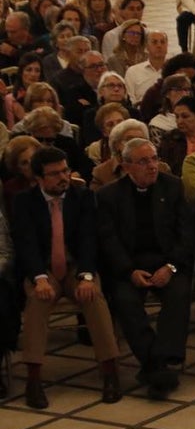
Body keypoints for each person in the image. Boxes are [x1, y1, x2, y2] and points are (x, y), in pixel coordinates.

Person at [14, 146, 122, 409]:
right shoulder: (23, 202)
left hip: (76, 266)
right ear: (38, 179)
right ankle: (34, 379)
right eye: (54, 174)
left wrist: (86, 276)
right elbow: (26, 244)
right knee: (38, 301)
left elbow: (88, 240)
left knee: (93, 297)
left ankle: (110, 372)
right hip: (44, 268)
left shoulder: (82, 197)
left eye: (65, 170)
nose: (63, 177)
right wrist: (39, 278)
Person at [96, 139, 194, 399]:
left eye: (153, 159)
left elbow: (186, 235)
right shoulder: (109, 196)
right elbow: (109, 241)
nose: (152, 166)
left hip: (168, 262)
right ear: (127, 167)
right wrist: (129, 271)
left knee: (179, 294)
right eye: (143, 161)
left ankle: (155, 365)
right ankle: (158, 366)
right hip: (130, 266)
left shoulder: (172, 187)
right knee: (125, 301)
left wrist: (170, 267)